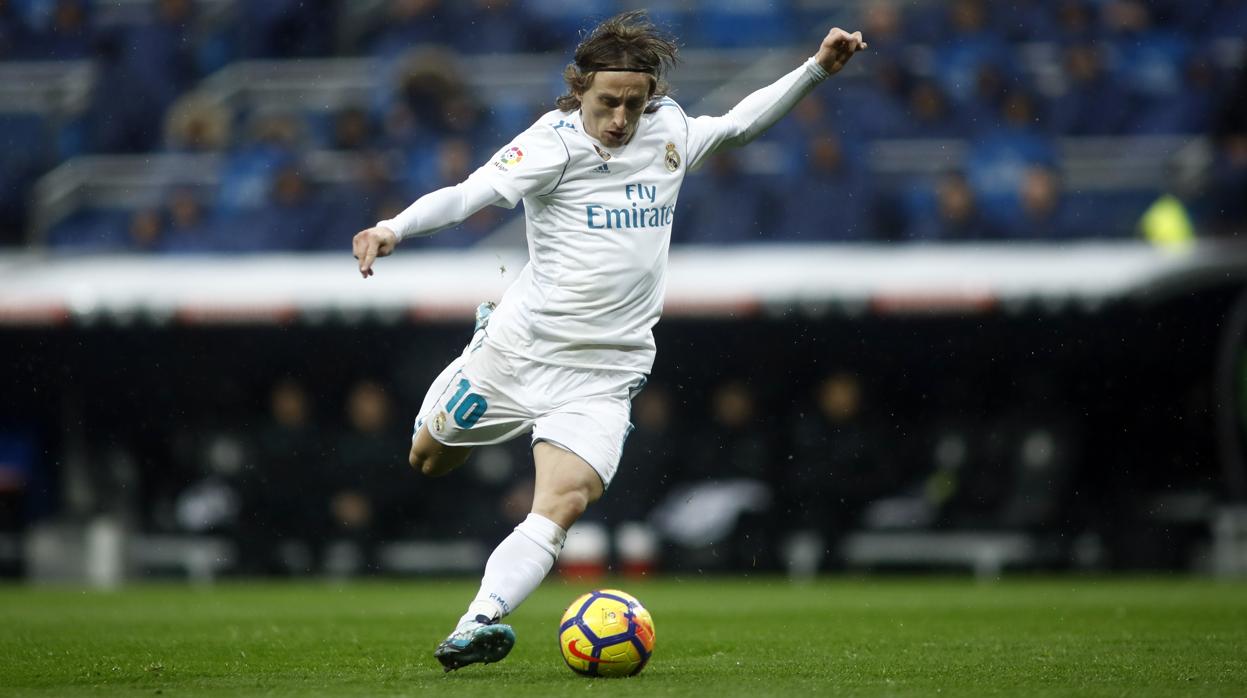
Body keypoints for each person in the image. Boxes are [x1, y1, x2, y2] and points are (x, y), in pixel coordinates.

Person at [351, 10, 867, 672]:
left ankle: (476, 621)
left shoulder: (669, 130)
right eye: (606, 103)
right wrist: (392, 228)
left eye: (632, 102)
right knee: (427, 457)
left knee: (561, 504)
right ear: (578, 91)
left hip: (605, 371)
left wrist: (816, 68)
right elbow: (470, 193)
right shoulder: (550, 144)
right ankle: (476, 344)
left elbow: (738, 124)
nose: (620, 118)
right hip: (518, 351)